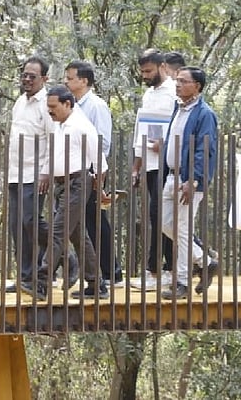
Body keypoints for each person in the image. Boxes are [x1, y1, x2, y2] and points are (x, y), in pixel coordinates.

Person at [21, 85, 109, 300]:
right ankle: (96, 284)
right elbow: (57, 155)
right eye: (48, 107)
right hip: (63, 184)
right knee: (79, 236)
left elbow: (100, 163)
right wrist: (46, 174)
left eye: (53, 107)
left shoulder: (81, 126)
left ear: (67, 104)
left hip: (78, 183)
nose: (50, 111)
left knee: (58, 231)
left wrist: (99, 189)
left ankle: (41, 282)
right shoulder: (61, 125)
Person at [160, 66, 220, 299]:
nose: (178, 84)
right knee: (168, 226)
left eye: (183, 81)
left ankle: (182, 282)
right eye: (177, 80)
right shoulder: (179, 108)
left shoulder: (204, 114)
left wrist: (193, 180)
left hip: (188, 180)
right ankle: (204, 261)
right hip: (171, 176)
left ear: (197, 86)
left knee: (182, 229)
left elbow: (205, 149)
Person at [63, 60, 123, 289]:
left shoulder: (96, 106)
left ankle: (112, 272)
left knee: (95, 221)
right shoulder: (73, 105)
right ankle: (100, 271)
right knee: (84, 222)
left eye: (70, 78)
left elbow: (103, 141)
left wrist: (96, 173)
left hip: (89, 171)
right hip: (73, 171)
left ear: (84, 81)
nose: (66, 82)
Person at [3, 56, 58, 293]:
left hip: (36, 174)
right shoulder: (19, 102)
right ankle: (26, 276)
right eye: (24, 75)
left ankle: (63, 254)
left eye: (32, 76)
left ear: (44, 79)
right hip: (15, 172)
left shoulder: (47, 104)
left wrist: (47, 172)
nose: (26, 79)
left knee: (31, 222)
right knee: (18, 227)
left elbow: (54, 139)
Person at [129, 49, 177, 291]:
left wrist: (165, 144)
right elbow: (141, 131)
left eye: (148, 71)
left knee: (162, 215)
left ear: (162, 67)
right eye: (142, 72)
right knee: (155, 216)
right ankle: (156, 270)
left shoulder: (173, 93)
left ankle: (165, 269)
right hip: (149, 163)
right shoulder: (149, 94)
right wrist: (136, 165)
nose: (145, 76)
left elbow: (179, 128)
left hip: (166, 163)